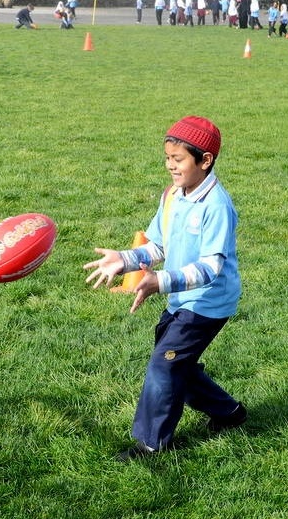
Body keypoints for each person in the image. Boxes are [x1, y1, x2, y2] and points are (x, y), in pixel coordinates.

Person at [83, 116, 246, 462]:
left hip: (208, 302)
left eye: (179, 160)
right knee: (177, 366)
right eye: (167, 158)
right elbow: (158, 246)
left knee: (165, 365)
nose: (171, 166)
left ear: (205, 160)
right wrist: (124, 260)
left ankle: (152, 444)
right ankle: (229, 413)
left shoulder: (216, 206)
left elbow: (211, 267)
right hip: (180, 296)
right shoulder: (173, 195)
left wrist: (160, 281)